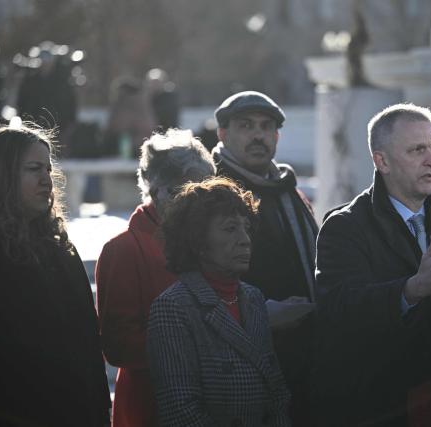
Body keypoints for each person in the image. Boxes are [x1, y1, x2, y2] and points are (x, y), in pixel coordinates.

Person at [312, 103, 431, 426]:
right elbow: (339, 307)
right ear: (381, 161)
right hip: (380, 405)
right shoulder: (345, 226)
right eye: (417, 150)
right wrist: (411, 290)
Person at [0, 123, 110, 427]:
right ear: (2, 176)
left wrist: (100, 410)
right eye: (34, 169)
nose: (46, 180)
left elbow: (88, 340)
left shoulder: (58, 246)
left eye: (48, 170)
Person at [147, 177, 291, 427]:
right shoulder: (173, 307)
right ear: (198, 241)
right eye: (230, 228)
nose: (245, 239)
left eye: (246, 228)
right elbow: (180, 410)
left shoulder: (253, 297)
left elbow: (276, 390)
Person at [95, 129, 215, 427]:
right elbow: (118, 346)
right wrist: (195, 345)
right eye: (180, 191)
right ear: (155, 189)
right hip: (149, 405)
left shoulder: (209, 241)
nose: (192, 201)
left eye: (201, 191)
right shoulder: (123, 249)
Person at [213, 91, 317, 424]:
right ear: (223, 134)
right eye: (246, 126)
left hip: (302, 357)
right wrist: (262, 315)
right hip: (236, 365)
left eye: (266, 126)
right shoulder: (208, 193)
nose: (258, 135)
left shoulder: (290, 192)